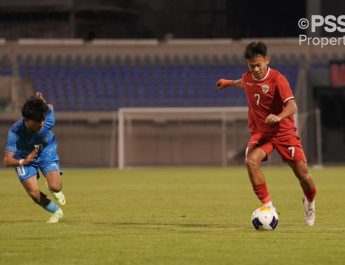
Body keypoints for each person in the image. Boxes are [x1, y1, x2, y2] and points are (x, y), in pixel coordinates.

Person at [216, 42, 317, 226]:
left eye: (258, 65)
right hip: (262, 133)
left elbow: (293, 106)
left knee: (303, 176)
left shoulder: (278, 79)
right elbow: (243, 83)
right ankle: (269, 207)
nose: (255, 69)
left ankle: (309, 201)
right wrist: (228, 83)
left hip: (284, 132)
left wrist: (278, 117)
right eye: (251, 66)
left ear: (266, 60)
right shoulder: (247, 78)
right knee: (250, 161)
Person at [4, 92, 66, 223]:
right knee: (34, 193)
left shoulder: (47, 120)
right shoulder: (15, 132)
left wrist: (41, 102)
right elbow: (7, 160)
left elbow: (49, 106)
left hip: (45, 151)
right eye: (38, 122)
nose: (42, 124)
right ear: (28, 120)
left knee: (56, 187)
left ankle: (51, 185)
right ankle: (56, 211)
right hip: (24, 157)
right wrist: (24, 161)